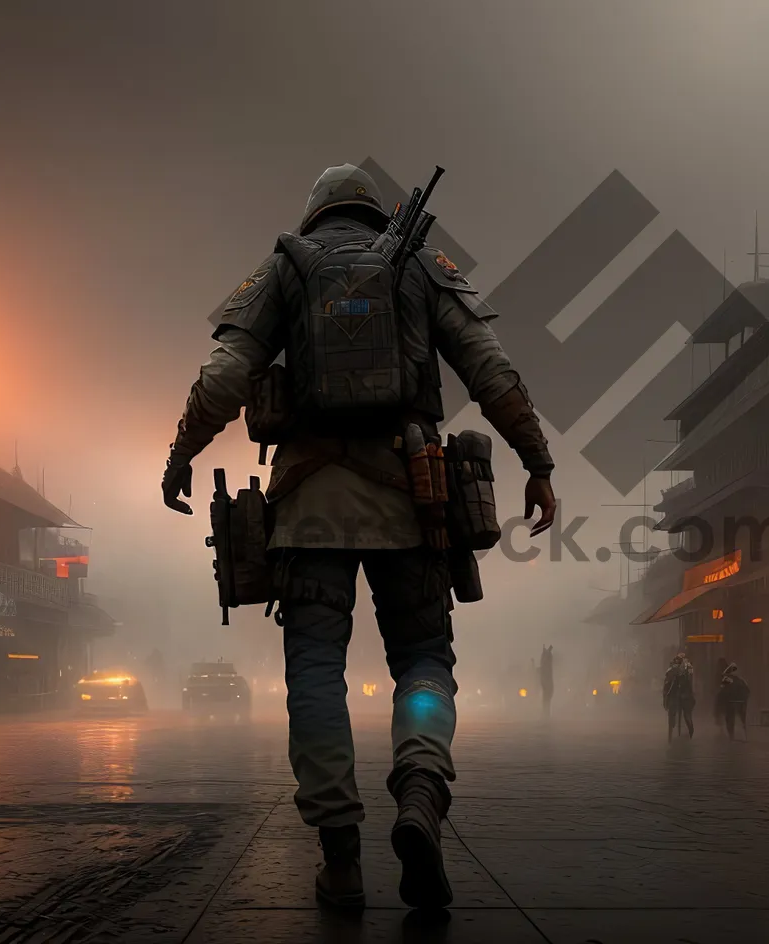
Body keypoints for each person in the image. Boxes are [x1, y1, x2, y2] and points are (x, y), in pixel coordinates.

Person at [161, 164, 557, 912]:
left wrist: (181, 453)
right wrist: (537, 461)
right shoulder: (420, 266)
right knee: (423, 663)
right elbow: (491, 369)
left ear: (314, 214)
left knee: (315, 673)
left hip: (309, 508)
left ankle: (340, 856)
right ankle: (418, 791)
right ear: (376, 214)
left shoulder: (285, 267)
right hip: (415, 501)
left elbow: (225, 374)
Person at [662, 653, 695, 741]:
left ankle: (690, 729)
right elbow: (667, 684)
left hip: (684, 695)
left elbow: (689, 683)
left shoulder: (688, 668)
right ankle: (675, 724)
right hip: (676, 694)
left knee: (686, 714)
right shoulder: (672, 670)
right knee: (674, 711)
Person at [719, 662, 750, 740]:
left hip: (730, 702)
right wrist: (744, 701)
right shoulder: (741, 681)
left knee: (730, 719)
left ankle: (731, 736)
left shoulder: (727, 679)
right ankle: (744, 736)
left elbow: (722, 691)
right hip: (740, 703)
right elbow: (747, 691)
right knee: (742, 719)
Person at [539, 645, 554, 717]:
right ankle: (545, 715)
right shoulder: (545, 664)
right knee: (546, 700)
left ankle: (546, 715)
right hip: (546, 685)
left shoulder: (546, 664)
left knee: (546, 700)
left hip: (547, 684)